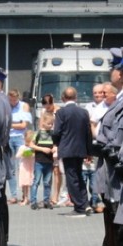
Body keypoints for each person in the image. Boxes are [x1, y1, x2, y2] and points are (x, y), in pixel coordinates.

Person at [51, 86, 92, 216]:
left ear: (63, 98)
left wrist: (56, 142)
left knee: (71, 178)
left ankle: (79, 206)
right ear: (76, 97)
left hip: (67, 149)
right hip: (80, 149)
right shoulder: (83, 112)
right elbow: (88, 132)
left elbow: (56, 131)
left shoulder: (61, 113)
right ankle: (85, 203)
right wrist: (89, 150)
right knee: (79, 176)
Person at [7, 89, 32, 203]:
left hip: (20, 138)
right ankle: (13, 195)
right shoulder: (6, 106)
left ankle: (25, 195)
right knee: (11, 167)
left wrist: (9, 124)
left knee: (23, 166)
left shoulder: (24, 106)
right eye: (11, 100)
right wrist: (14, 125)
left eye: (14, 100)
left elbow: (23, 124)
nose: (13, 102)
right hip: (9, 137)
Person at [27, 117, 55, 210]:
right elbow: (31, 144)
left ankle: (46, 201)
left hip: (49, 161)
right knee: (36, 181)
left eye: (52, 124)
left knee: (47, 182)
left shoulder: (52, 133)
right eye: (48, 124)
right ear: (43, 123)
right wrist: (43, 149)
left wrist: (55, 148)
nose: (50, 126)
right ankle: (33, 201)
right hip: (39, 161)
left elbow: (55, 144)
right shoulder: (38, 133)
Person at [18, 129, 35, 204]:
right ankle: (25, 198)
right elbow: (17, 155)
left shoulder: (34, 147)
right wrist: (24, 153)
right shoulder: (22, 147)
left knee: (31, 183)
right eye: (27, 141)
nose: (28, 143)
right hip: (24, 168)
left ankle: (32, 198)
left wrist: (32, 152)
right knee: (24, 184)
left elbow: (35, 155)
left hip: (31, 167)